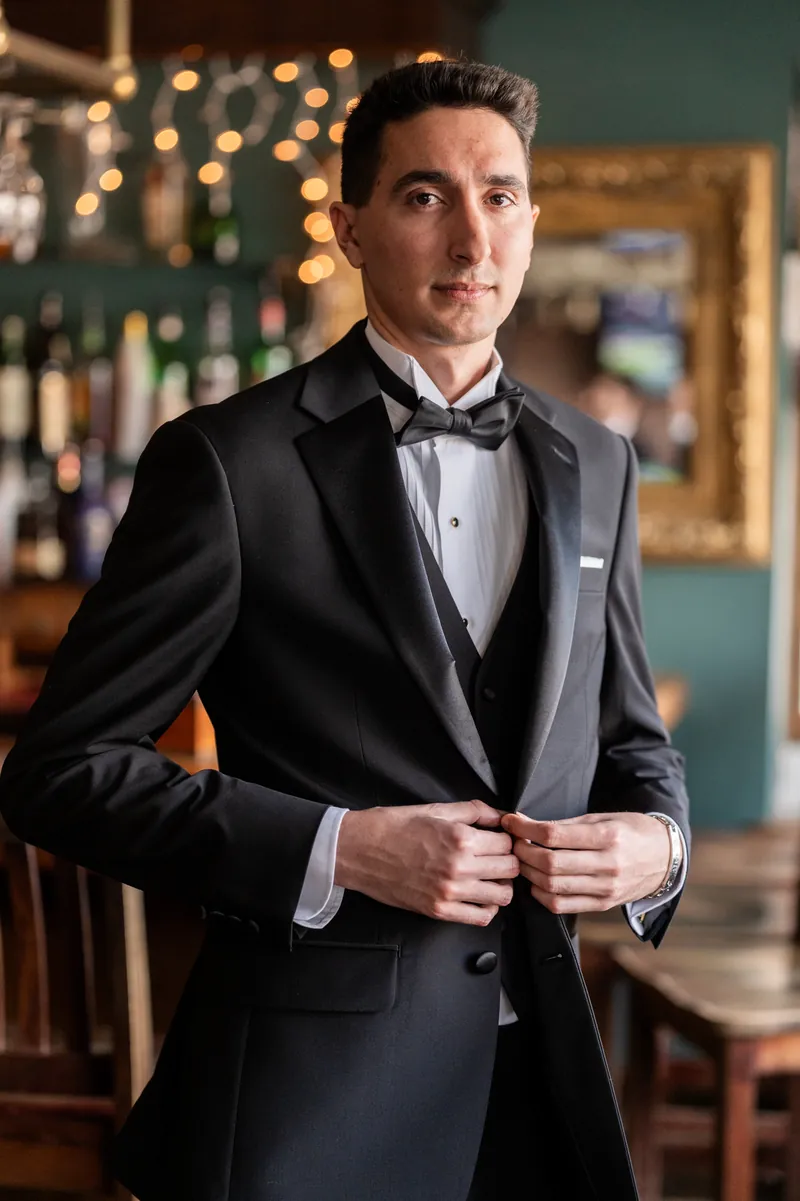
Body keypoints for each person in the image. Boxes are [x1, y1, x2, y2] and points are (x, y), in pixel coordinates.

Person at [0, 59, 690, 1201]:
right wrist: (338, 847)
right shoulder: (228, 465)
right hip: (310, 1100)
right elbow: (61, 772)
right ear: (350, 226)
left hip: (543, 1081)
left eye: (501, 196)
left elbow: (629, 736)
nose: (473, 240)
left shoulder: (598, 462)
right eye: (425, 198)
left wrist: (655, 847)